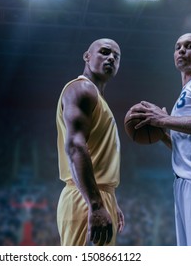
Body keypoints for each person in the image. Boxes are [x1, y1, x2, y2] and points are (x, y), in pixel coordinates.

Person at [129, 33, 191, 246]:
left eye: (190, 46)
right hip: (184, 181)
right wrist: (165, 133)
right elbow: (187, 145)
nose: (182, 50)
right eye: (177, 47)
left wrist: (165, 119)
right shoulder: (183, 95)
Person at [56, 38, 125, 246]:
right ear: (87, 56)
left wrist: (109, 199)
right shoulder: (82, 89)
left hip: (97, 195)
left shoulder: (96, 97)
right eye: (104, 52)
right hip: (84, 199)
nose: (111, 57)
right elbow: (75, 147)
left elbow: (97, 155)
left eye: (116, 56)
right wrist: (95, 205)